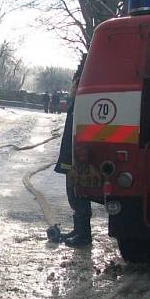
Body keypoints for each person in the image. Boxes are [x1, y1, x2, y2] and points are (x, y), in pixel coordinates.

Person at [51, 60, 92, 247]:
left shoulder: (82, 106)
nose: (73, 88)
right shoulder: (76, 105)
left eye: (77, 84)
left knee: (79, 194)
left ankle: (84, 235)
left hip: (78, 158)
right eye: (74, 84)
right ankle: (79, 230)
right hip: (71, 157)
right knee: (74, 194)